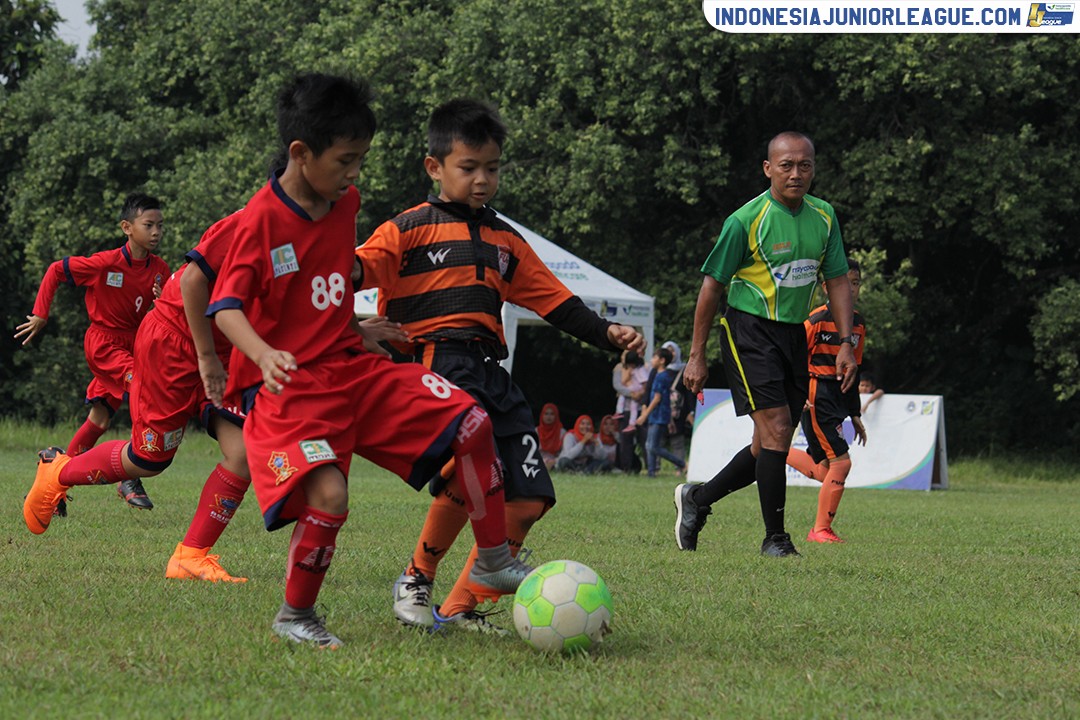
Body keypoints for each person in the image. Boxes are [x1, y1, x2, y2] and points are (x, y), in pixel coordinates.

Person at [36, 73, 533, 651]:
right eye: (347, 160)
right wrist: (253, 354)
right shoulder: (256, 224)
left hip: (349, 369)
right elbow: (222, 304)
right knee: (309, 493)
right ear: (301, 154)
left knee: (471, 422)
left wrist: (352, 324)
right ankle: (295, 614)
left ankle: (493, 558)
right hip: (281, 386)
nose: (356, 175)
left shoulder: (345, 202)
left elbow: (319, 284)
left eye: (360, 159)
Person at [355, 98, 645, 633]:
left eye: (492, 167)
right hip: (432, 365)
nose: (483, 179)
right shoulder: (406, 230)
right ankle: (416, 577)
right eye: (469, 168)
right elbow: (349, 273)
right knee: (474, 468)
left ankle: (461, 607)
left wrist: (608, 333)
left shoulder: (506, 241)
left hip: (489, 373)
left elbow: (556, 302)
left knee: (530, 498)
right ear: (434, 167)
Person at [674, 131, 857, 557]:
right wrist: (696, 356)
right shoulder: (745, 220)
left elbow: (838, 283)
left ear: (814, 168)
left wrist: (847, 342)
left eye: (805, 165)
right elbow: (710, 288)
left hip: (794, 334)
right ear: (768, 168)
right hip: (748, 331)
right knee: (776, 431)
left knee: (766, 445)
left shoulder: (825, 216)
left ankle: (697, 501)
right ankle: (776, 539)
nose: (796, 173)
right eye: (787, 165)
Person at [16, 193, 171, 510]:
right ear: (127, 227)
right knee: (144, 386)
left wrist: (163, 298)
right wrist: (41, 314)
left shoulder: (161, 269)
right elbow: (56, 270)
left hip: (135, 344)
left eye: (160, 225)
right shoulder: (106, 263)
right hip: (104, 344)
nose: (156, 232)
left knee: (99, 418)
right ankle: (130, 475)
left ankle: (53, 479)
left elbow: (167, 311)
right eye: (149, 225)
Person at [786, 260, 868, 543]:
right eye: (846, 283)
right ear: (827, 287)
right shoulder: (816, 320)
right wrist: (798, 397)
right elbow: (793, 360)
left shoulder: (858, 324)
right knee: (841, 465)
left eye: (855, 283)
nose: (851, 289)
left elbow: (853, 371)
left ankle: (772, 451)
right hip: (815, 396)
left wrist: (855, 413)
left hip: (837, 399)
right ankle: (819, 530)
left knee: (827, 470)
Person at [635, 347, 686, 477]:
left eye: (654, 357)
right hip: (656, 415)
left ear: (662, 360)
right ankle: (651, 473)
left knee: (653, 446)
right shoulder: (660, 375)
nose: (652, 360)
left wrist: (644, 415)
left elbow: (657, 398)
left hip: (659, 415)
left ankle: (681, 463)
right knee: (649, 445)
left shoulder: (662, 377)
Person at [612, 349, 647, 473]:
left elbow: (646, 384)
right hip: (625, 409)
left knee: (644, 439)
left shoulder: (643, 368)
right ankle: (626, 467)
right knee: (625, 440)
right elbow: (618, 385)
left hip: (641, 408)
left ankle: (650, 467)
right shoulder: (619, 368)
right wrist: (632, 394)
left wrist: (640, 393)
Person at [536, 402, 565, 470]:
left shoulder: (562, 432)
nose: (548, 417)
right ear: (542, 415)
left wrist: (554, 461)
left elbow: (565, 452)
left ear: (556, 416)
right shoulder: (536, 431)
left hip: (556, 462)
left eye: (552, 414)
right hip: (538, 461)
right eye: (546, 414)